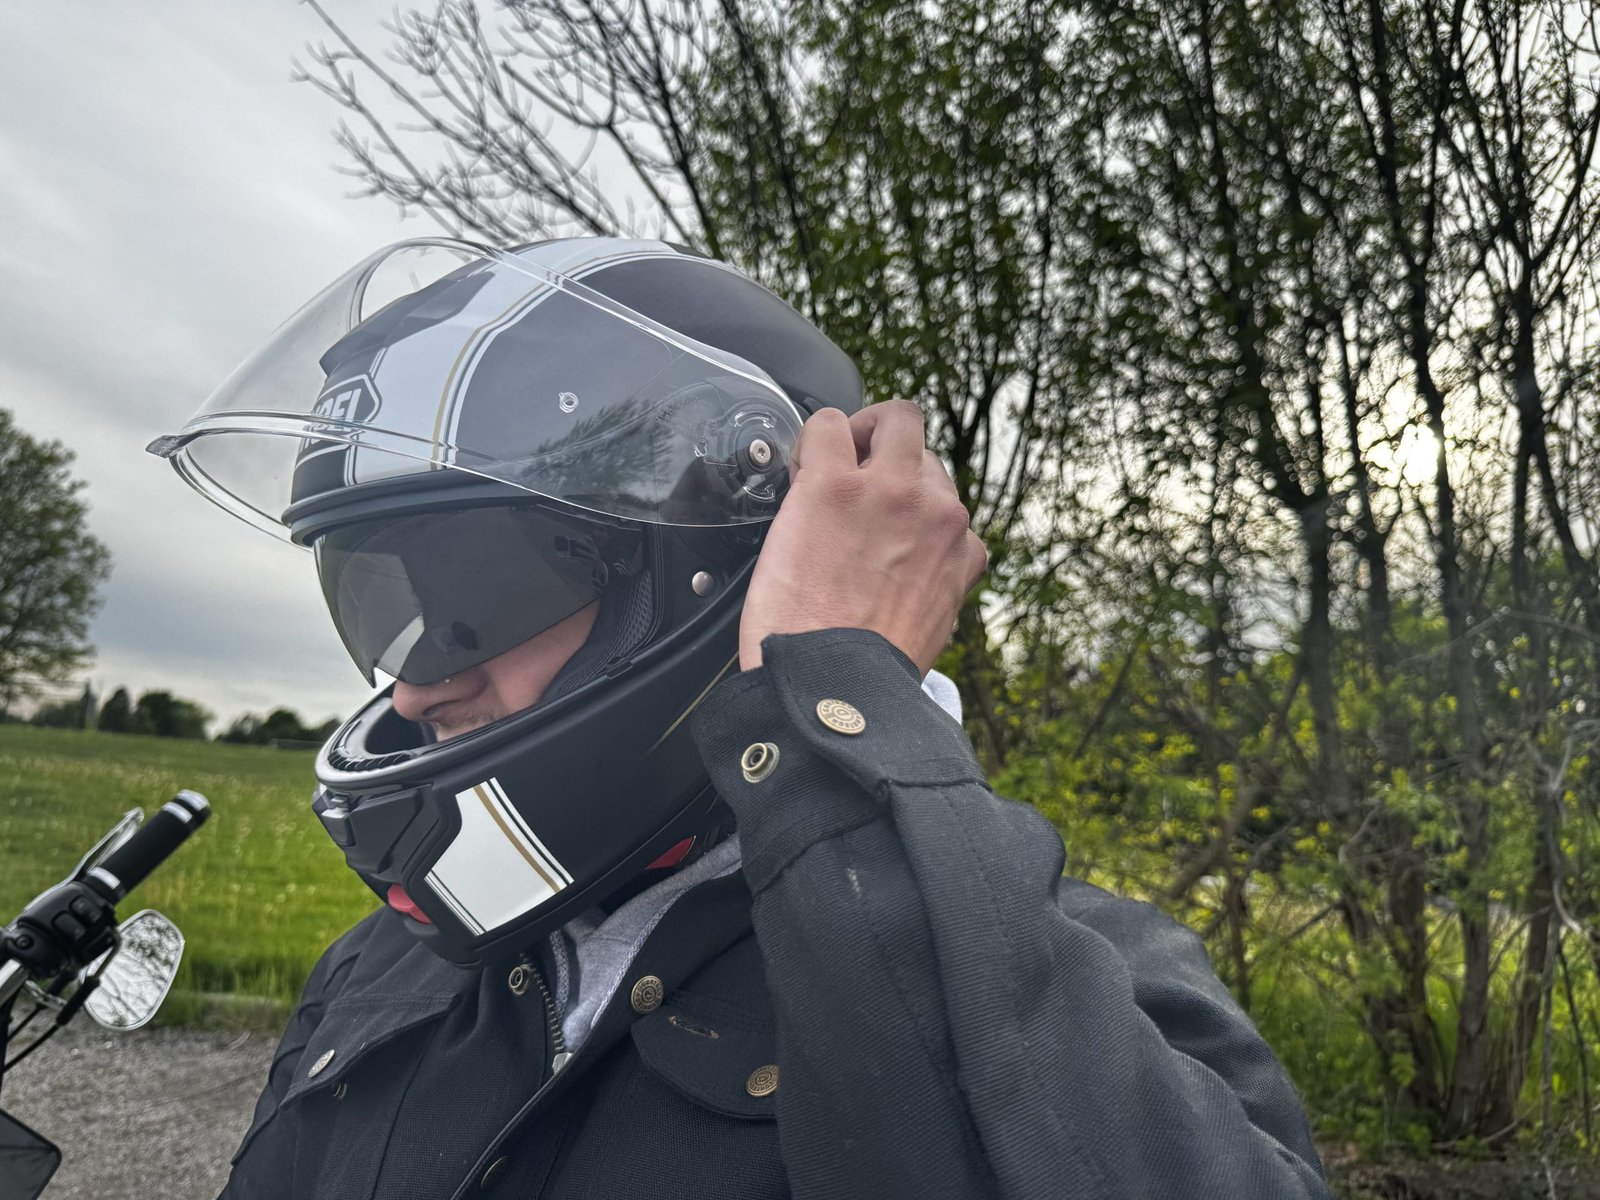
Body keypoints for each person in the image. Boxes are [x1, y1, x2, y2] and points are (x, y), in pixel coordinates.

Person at [150, 237, 1329, 1199]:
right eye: (384, 615)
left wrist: (836, 696)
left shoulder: (1078, 976)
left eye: (464, 602)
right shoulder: (383, 969)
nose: (412, 686)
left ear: (714, 574)